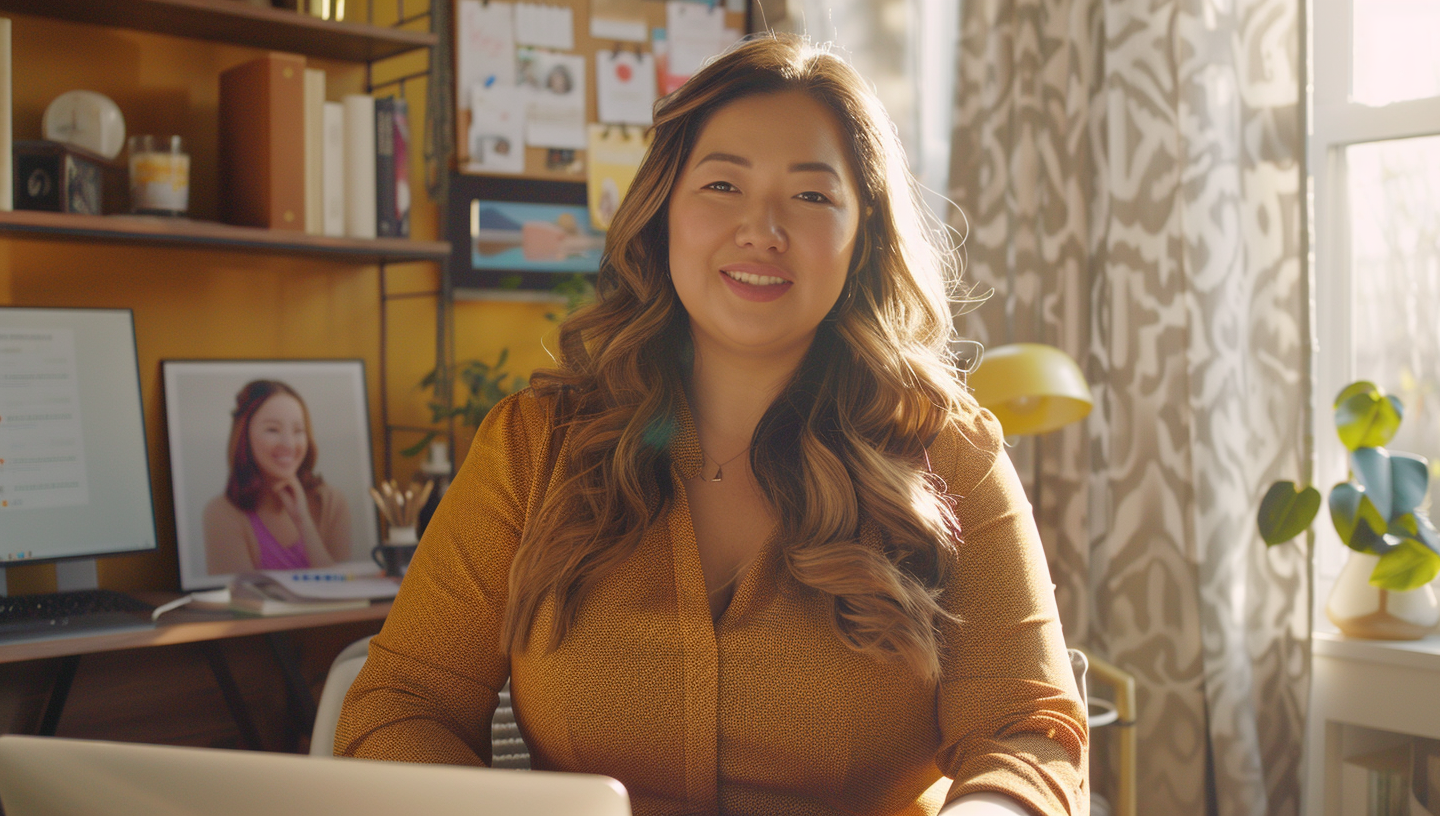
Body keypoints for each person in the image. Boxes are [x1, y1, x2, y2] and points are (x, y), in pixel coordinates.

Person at [337, 35, 1088, 816]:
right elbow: (400, 703)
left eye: (811, 196)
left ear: (863, 237)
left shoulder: (950, 454)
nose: (761, 229)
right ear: (663, 213)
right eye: (723, 184)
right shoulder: (535, 447)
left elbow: (1028, 733)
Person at [203, 380, 352, 574]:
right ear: (244, 437)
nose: (288, 443)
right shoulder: (222, 512)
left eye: (298, 431)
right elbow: (241, 599)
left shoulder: (332, 502)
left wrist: (303, 521)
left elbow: (344, 591)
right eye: (272, 430)